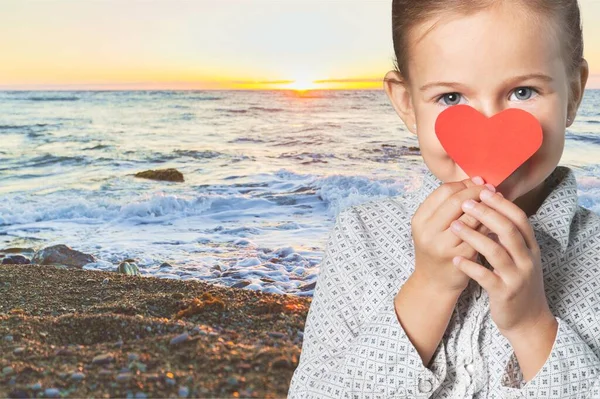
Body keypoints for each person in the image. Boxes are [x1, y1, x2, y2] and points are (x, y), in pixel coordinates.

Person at [287, 0, 600, 398]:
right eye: (451, 97)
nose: (489, 128)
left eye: (524, 91)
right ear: (406, 104)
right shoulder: (361, 236)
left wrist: (531, 326)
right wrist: (429, 290)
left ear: (573, 93)